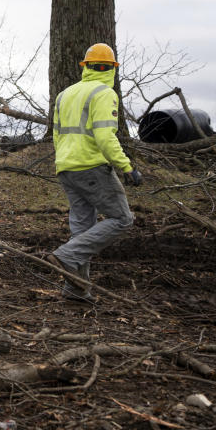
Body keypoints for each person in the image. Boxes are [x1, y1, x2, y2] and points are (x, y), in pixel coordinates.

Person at [46, 43, 142, 303]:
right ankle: (66, 255)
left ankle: (76, 290)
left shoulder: (65, 94)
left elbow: (56, 134)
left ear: (85, 66)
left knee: (82, 230)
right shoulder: (104, 93)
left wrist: (64, 160)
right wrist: (126, 166)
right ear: (112, 69)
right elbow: (104, 136)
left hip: (66, 168)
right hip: (92, 167)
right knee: (122, 219)